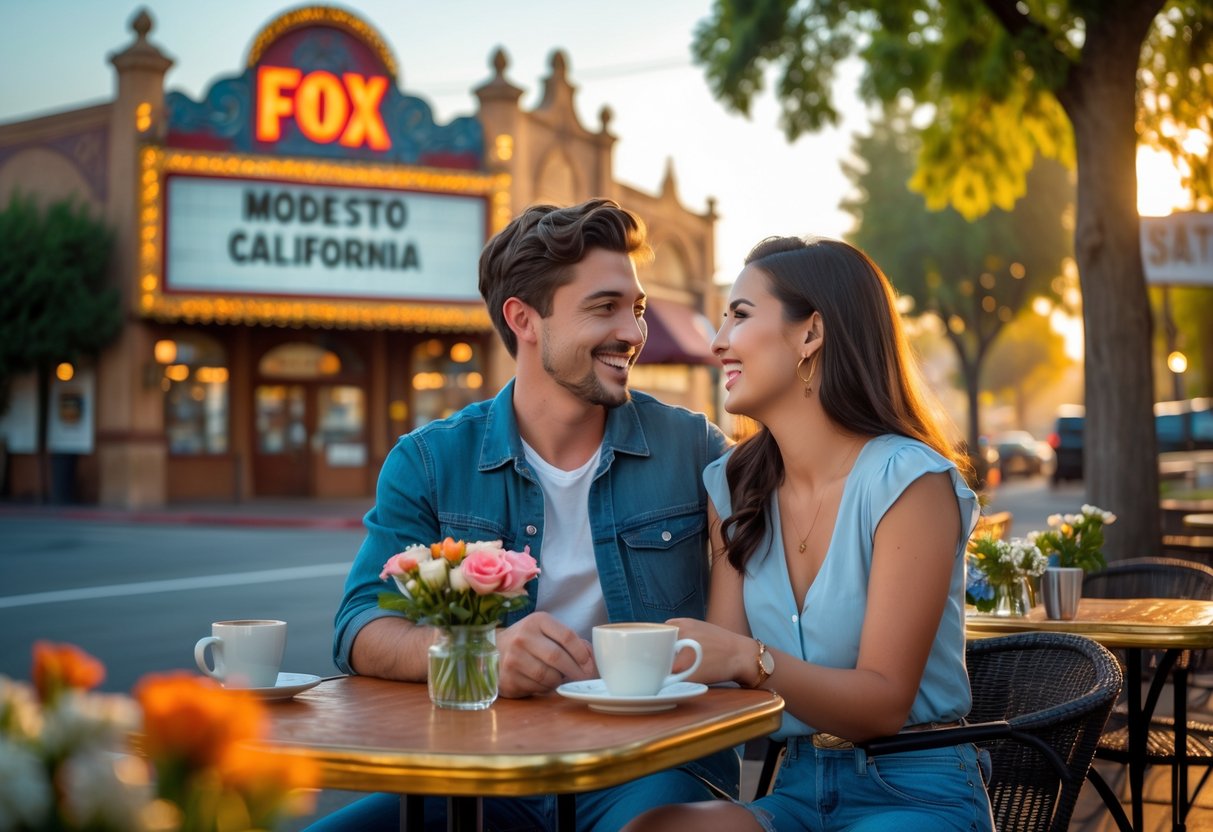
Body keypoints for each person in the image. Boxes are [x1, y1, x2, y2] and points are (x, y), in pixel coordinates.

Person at [306, 198, 737, 832]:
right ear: (524, 320)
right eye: (604, 307)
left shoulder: (696, 450)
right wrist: (483, 655)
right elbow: (358, 627)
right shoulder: (429, 462)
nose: (633, 331)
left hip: (648, 767)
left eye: (637, 308)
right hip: (480, 771)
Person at [622, 237, 994, 832]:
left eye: (739, 315)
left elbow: (882, 703)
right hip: (794, 787)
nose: (718, 341)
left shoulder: (909, 482)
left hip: (914, 788)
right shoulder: (734, 487)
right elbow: (724, 679)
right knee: (655, 827)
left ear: (810, 334)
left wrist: (750, 659)